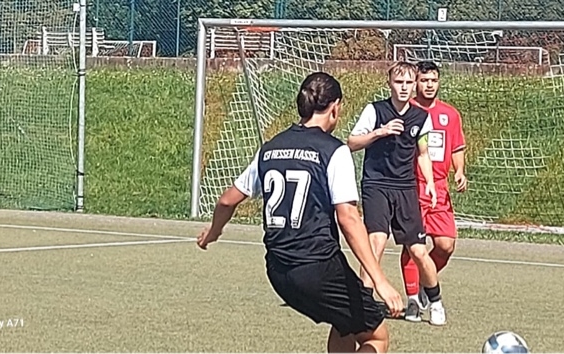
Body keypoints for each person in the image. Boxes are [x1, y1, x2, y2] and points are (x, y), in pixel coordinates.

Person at [197, 71, 404, 353]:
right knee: (375, 338)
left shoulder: (269, 149)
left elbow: (227, 201)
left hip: (278, 271)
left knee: (344, 322)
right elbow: (348, 218)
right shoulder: (334, 151)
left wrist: (213, 232)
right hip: (317, 268)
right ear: (335, 107)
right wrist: (380, 280)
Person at [347, 61, 446, 326]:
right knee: (375, 243)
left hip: (405, 189)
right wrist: (380, 132)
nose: (403, 88)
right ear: (389, 83)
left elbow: (423, 154)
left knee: (418, 250)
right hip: (376, 184)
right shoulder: (375, 110)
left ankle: (435, 301)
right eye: (398, 82)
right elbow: (352, 142)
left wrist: (430, 184)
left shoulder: (420, 117)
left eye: (408, 83)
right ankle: (364, 303)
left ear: (414, 85)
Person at [400, 61, 467, 323]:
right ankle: (414, 300)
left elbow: (457, 148)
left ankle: (428, 284)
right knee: (413, 246)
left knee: (445, 245)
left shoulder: (449, 114)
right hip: (411, 186)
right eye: (424, 80)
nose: (429, 85)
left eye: (433, 80)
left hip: (439, 187)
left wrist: (459, 171)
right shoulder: (407, 111)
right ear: (416, 83)